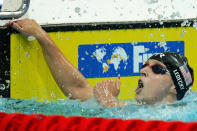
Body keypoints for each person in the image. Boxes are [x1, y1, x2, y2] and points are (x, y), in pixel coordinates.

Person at [7, 18, 194, 107]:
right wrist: (41, 36)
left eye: (157, 69)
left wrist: (108, 101)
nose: (144, 70)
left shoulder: (178, 121)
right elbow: (76, 88)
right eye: (144, 65)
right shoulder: (129, 109)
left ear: (174, 87)